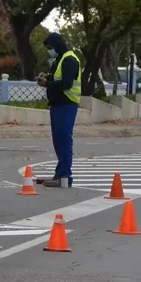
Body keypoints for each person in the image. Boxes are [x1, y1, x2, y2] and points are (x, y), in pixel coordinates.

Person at [35, 32, 81, 188]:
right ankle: (60, 173)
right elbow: (56, 78)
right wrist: (47, 77)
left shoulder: (69, 59)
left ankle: (65, 176)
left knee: (64, 140)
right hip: (58, 105)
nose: (49, 50)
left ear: (57, 45)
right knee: (58, 141)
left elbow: (67, 83)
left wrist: (47, 83)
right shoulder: (60, 59)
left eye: (50, 47)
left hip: (66, 104)